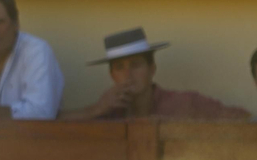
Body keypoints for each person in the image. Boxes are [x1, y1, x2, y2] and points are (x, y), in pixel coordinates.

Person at [63, 29, 249, 120]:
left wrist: (178, 129)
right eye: (120, 67)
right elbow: (53, 123)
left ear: (152, 69)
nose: (128, 74)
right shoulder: (104, 110)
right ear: (112, 75)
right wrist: (96, 109)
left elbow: (243, 118)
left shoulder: (185, 103)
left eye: (136, 65)